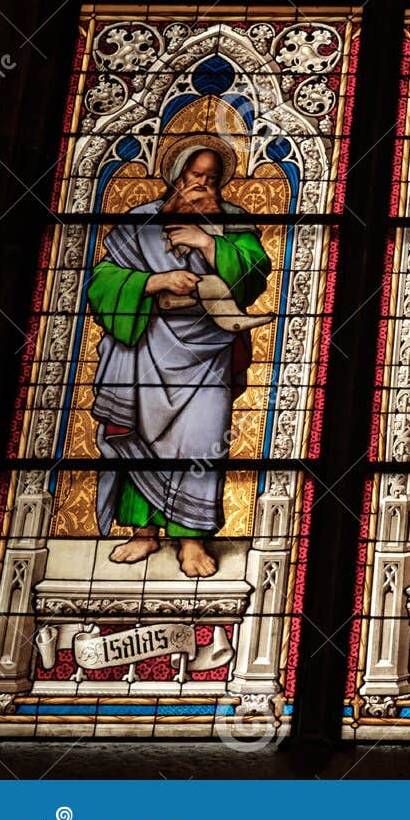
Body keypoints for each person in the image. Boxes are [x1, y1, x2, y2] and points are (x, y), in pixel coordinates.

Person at [87, 144, 272, 579]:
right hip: (143, 346)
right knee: (139, 437)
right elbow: (102, 282)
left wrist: (207, 242)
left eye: (210, 176)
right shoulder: (138, 222)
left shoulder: (235, 221)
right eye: (193, 173)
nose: (201, 182)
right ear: (174, 173)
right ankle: (144, 532)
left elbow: (254, 276)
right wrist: (155, 281)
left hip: (208, 349)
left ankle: (191, 538)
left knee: (202, 440)